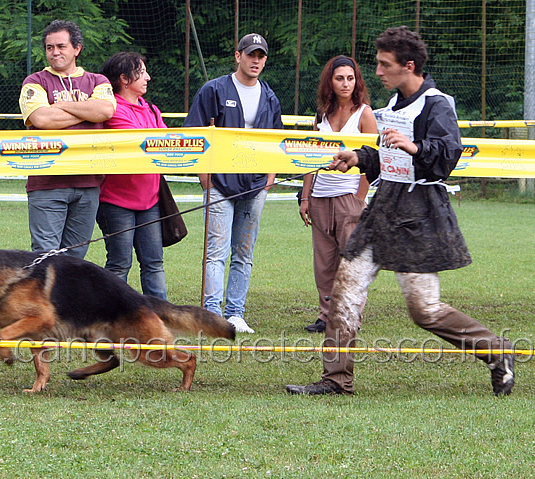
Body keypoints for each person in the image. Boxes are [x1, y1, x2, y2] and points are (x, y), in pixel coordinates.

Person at [287, 26, 514, 396]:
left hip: (419, 214)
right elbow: (389, 158)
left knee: (424, 310)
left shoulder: (437, 104)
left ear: (408, 66)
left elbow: (445, 158)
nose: (376, 72)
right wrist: (359, 158)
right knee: (344, 289)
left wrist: (415, 147)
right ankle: (335, 380)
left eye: (383, 64)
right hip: (384, 207)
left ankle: (498, 353)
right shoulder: (392, 106)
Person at [183, 33, 283, 334]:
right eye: (250, 54)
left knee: (244, 252)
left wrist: (270, 177)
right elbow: (195, 135)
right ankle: (212, 314)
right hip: (220, 184)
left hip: (255, 184)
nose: (256, 60)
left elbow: (275, 140)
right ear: (237, 55)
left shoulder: (269, 95)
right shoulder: (213, 89)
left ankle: (236, 312)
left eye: (261, 56)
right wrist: (205, 180)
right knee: (216, 251)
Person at [19, 20, 116, 259]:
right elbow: (42, 118)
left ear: (77, 48)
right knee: (45, 258)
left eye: (61, 46)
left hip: (88, 183)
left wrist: (61, 105)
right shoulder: (34, 81)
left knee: (75, 259)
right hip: (47, 182)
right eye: (50, 47)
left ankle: (66, 299)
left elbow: (104, 112)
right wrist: (85, 110)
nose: (55, 52)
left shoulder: (98, 81)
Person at [300, 55, 377, 333]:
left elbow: (373, 159)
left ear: (356, 81)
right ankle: (325, 315)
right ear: (329, 82)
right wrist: (305, 197)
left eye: (350, 78)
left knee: (352, 262)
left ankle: (349, 314)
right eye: (339, 78)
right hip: (320, 197)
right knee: (324, 264)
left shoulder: (364, 114)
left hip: (349, 199)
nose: (345, 84)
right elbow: (310, 158)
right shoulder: (321, 114)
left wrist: (359, 198)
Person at [96, 52, 167, 300]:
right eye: (142, 71)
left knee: (154, 263)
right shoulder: (111, 110)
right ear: (125, 79)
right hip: (116, 202)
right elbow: (141, 143)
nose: (148, 77)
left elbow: (167, 145)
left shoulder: (150, 108)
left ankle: (161, 318)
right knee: (119, 264)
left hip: (150, 201)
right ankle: (109, 317)